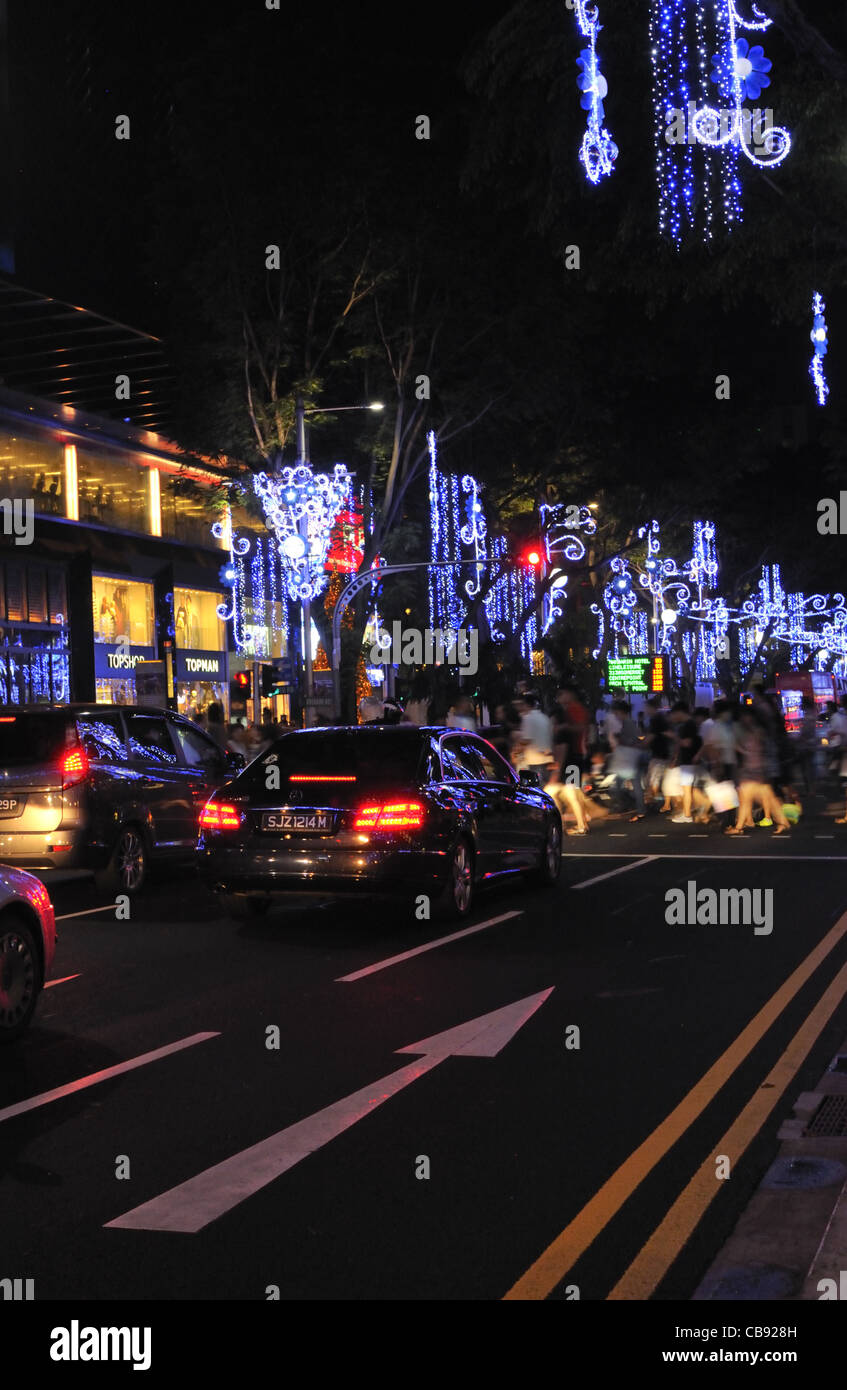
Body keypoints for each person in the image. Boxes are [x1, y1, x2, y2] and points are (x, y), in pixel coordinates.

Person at [512, 694, 554, 776]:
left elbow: (526, 740)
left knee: (535, 786)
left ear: (526, 704)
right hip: (548, 759)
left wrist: (515, 750)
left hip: (535, 760)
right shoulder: (545, 717)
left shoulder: (528, 718)